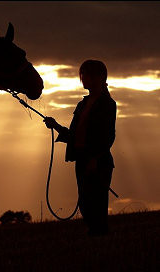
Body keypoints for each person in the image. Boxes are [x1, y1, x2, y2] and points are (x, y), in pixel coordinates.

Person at [44, 60, 116, 236]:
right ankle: (97, 238)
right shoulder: (82, 104)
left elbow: (108, 136)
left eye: (86, 74)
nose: (82, 78)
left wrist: (95, 158)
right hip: (82, 160)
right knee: (85, 203)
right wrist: (55, 126)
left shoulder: (107, 103)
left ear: (98, 77)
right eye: (82, 74)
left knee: (96, 204)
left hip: (98, 162)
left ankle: (100, 238)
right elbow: (76, 135)